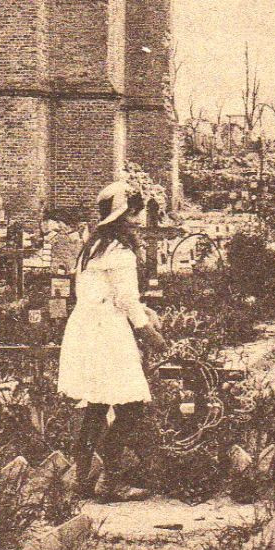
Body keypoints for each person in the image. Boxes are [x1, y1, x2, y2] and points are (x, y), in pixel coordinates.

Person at [57, 181, 167, 500]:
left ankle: (83, 476)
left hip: (86, 328)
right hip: (106, 332)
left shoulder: (93, 247)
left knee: (98, 403)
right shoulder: (120, 252)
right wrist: (151, 334)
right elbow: (126, 301)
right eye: (134, 216)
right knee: (131, 403)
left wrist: (139, 310)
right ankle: (110, 479)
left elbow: (103, 293)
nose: (137, 223)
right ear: (124, 216)